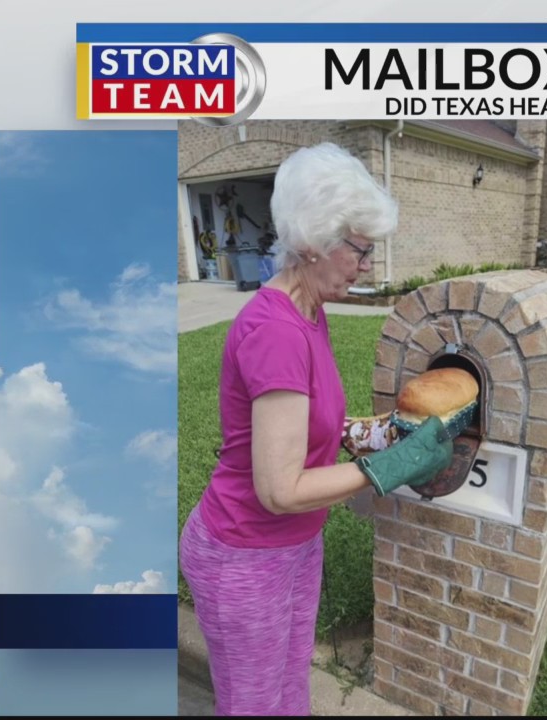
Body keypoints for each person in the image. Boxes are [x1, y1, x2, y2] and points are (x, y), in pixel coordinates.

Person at [178, 142, 452, 716]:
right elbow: (279, 489)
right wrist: (388, 468)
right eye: (360, 250)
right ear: (311, 242)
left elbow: (313, 429)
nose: (368, 265)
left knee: (290, 692)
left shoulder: (310, 311)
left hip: (297, 545)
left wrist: (385, 434)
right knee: (254, 704)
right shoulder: (276, 331)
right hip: (245, 554)